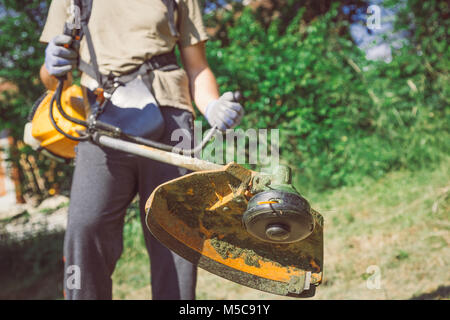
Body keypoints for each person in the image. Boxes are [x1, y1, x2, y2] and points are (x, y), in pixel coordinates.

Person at [39, 0, 244, 300]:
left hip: (170, 114)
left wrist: (212, 105)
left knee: (173, 233)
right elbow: (50, 80)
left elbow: (197, 67)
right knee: (85, 227)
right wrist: (51, 65)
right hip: (101, 120)